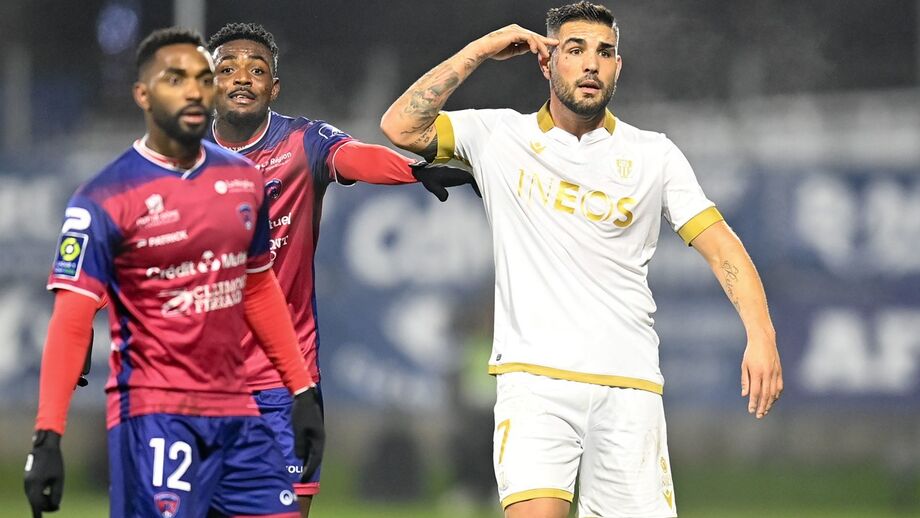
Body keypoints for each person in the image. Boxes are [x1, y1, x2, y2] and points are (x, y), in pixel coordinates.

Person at [380, 2, 783, 517]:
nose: (592, 63)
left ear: (618, 67)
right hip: (535, 382)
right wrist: (482, 49)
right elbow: (401, 126)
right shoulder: (500, 136)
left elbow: (722, 245)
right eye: (575, 50)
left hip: (629, 385)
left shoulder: (653, 154)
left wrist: (761, 335)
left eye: (605, 52)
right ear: (546, 62)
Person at [23, 28, 319, 518]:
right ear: (144, 95)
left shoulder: (242, 180)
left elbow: (256, 286)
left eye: (202, 78)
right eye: (175, 79)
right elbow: (71, 318)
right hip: (157, 413)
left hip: (238, 414)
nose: (192, 91)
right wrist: (48, 435)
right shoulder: (104, 196)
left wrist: (301, 389)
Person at [205, 22, 476, 516]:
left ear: (274, 87)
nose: (242, 78)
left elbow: (353, 156)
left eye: (257, 70)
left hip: (285, 382)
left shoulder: (300, 141)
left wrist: (413, 170)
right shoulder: (177, 158)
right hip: (196, 379)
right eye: (228, 69)